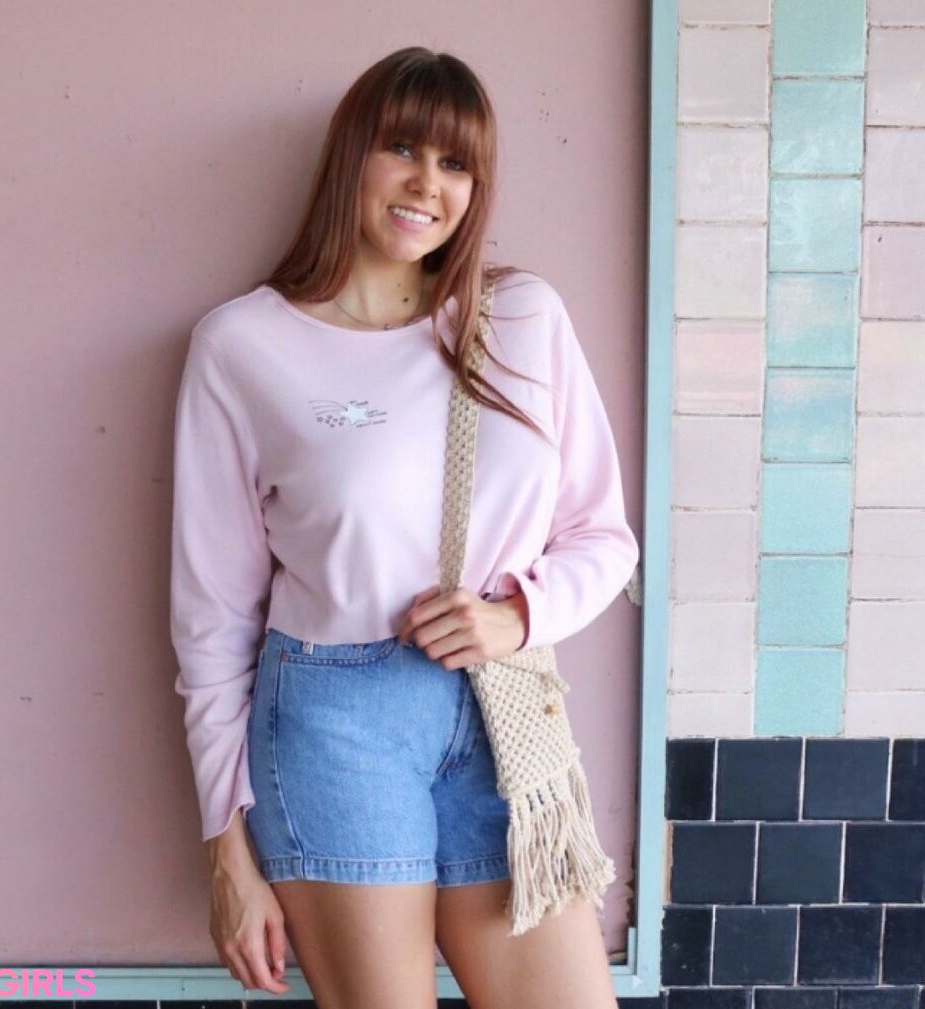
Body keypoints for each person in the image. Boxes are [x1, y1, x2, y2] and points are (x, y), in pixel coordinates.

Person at [170, 46, 639, 1009]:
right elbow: (212, 616)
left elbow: (604, 535)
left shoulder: (522, 319)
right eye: (402, 150)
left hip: (505, 720)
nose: (428, 183)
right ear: (352, 156)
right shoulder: (243, 346)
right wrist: (226, 847)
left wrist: (516, 615)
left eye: (456, 163)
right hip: (335, 722)